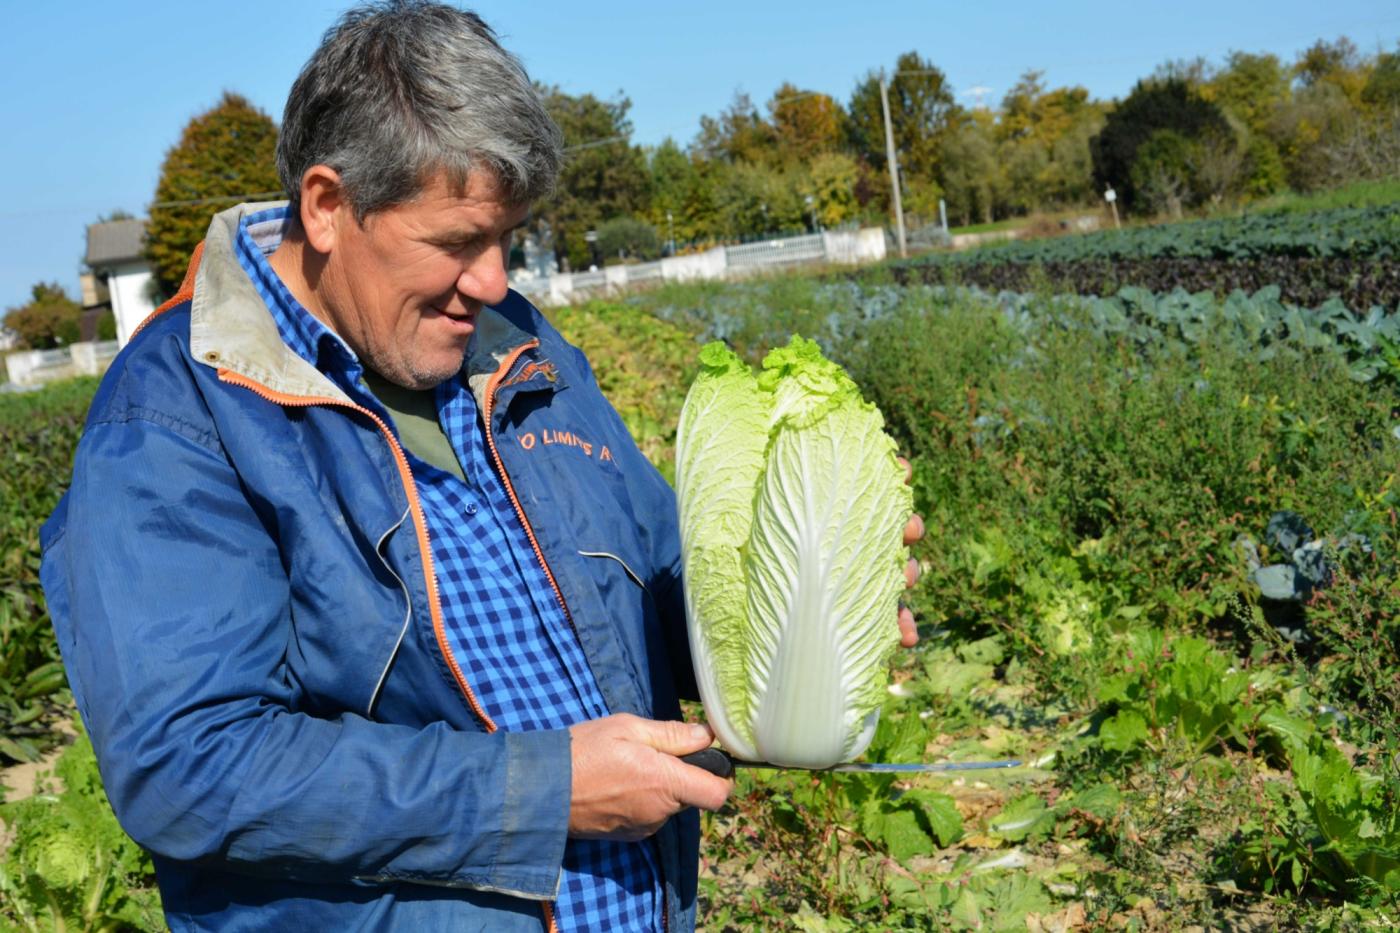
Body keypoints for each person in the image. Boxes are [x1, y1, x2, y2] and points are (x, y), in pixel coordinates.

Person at [41, 3, 921, 930]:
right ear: (329, 207)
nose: (495, 280)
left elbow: (652, 579)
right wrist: (545, 791)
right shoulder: (178, 414)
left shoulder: (513, 343)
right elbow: (189, 766)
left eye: (507, 238)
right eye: (457, 242)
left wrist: (803, 608)